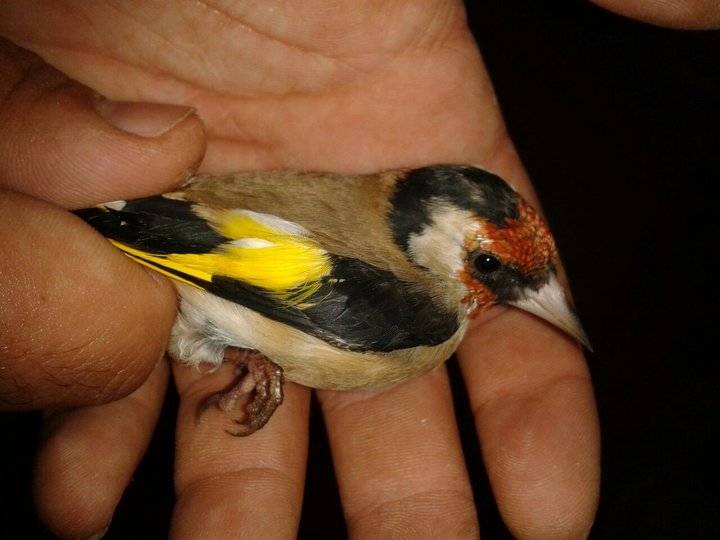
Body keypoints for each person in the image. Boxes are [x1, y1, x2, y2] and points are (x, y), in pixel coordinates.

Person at [0, 1, 715, 538]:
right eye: (488, 265)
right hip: (174, 247)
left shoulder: (364, 203)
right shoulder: (423, 316)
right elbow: (232, 262)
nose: (510, 294)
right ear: (424, 230)